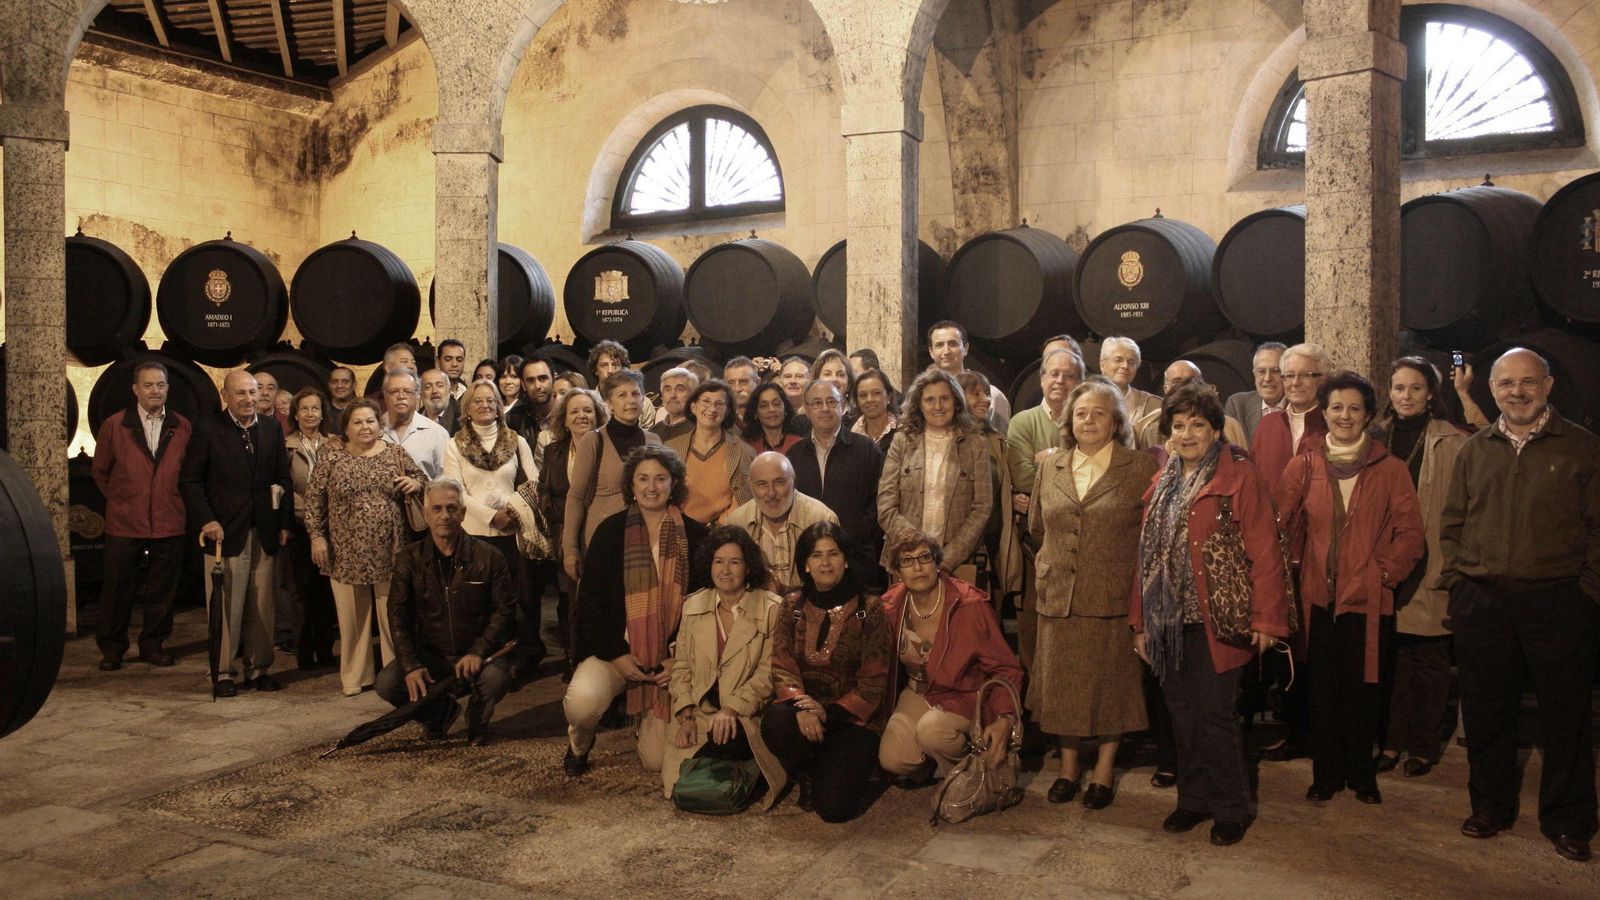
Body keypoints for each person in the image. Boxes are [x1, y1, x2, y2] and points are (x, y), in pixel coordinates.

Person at [1439, 347, 1600, 863]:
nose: (1517, 392)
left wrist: (1587, 593)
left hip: (1558, 600)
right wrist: (1459, 580)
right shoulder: (1476, 449)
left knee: (1566, 717)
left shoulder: (1581, 447)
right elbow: (1453, 522)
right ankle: (1490, 807)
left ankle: (1570, 820)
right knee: (1487, 712)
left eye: (1528, 382)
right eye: (1506, 384)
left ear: (1548, 385)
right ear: (1492, 390)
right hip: (1483, 601)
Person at [1131, 384, 1290, 846]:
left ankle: (1230, 807)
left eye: (1197, 425)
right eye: (1178, 426)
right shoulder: (1162, 481)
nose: (1186, 434)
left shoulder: (1239, 477)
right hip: (1168, 620)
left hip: (1219, 618)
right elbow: (1145, 557)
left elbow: (1265, 552)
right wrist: (1139, 622)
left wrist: (1266, 619)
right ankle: (1192, 800)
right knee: (1182, 713)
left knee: (1215, 715)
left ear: (1216, 428)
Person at [1278, 371, 1424, 806]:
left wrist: (1383, 574)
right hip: (1316, 600)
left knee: (1363, 691)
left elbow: (1411, 535)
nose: (1345, 416)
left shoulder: (1391, 469)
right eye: (1337, 407)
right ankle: (1326, 775)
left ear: (1368, 415)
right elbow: (1279, 527)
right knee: (1321, 691)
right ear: (1324, 412)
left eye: (1354, 408)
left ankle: (1362, 774)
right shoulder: (1303, 465)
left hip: (1368, 599)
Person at [1029, 380, 1158, 808]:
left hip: (1111, 595)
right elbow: (1037, 526)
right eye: (1081, 413)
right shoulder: (1051, 467)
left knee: (1110, 685)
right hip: (1058, 595)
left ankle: (1103, 767)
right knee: (1063, 684)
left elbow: (1149, 537)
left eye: (1099, 413)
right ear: (1069, 420)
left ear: (1116, 422)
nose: (1088, 420)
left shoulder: (1138, 468)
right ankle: (1068, 768)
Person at [562, 445, 710, 776]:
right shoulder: (610, 532)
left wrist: (678, 659)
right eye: (643, 479)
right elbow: (590, 606)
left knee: (657, 762)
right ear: (631, 485)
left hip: (672, 661)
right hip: (617, 653)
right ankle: (578, 745)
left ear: (675, 483)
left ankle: (648, 722)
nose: (651, 487)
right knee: (582, 705)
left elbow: (704, 609)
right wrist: (617, 655)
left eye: (660, 478)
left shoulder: (698, 536)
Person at [1373, 358, 1467, 779]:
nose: (1405, 396)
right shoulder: (1375, 437)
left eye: (1414, 388)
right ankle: (1391, 740)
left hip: (1430, 560)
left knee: (1427, 658)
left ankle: (1424, 744)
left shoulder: (1453, 441)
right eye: (1398, 388)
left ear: (1431, 393)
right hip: (1380, 559)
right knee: (1389, 658)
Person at [762, 522, 892, 822]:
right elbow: (782, 666)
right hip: (804, 714)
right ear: (805, 564)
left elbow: (874, 680)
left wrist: (828, 713)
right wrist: (801, 707)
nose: (825, 562)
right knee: (776, 721)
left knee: (834, 811)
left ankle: (838, 766)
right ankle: (805, 772)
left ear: (845, 560)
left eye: (833, 554)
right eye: (816, 555)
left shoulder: (869, 609)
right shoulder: (791, 606)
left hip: (853, 719)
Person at [180, 370, 294, 698]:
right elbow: (190, 481)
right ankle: (223, 672)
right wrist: (207, 521)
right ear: (225, 394)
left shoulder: (271, 428)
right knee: (227, 604)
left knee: (262, 605)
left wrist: (284, 524)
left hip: (265, 530)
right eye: (241, 393)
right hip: (224, 534)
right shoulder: (208, 429)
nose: (248, 399)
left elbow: (282, 479)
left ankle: (258, 669)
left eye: (253, 392)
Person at [379, 477, 517, 745]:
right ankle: (438, 715)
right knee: (387, 682)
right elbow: (398, 617)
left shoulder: (489, 557)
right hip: (431, 655)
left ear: (463, 514)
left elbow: (504, 610)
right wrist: (411, 665)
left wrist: (478, 651)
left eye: (452, 508)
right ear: (426, 514)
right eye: (437, 508)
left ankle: (478, 722)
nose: (445, 516)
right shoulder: (409, 559)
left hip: (478, 653)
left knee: (496, 678)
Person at [878, 531, 1023, 782]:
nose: (918, 567)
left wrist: (1004, 717)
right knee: (893, 759)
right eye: (907, 560)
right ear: (897, 571)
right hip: (918, 692)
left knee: (931, 732)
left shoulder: (969, 605)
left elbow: (1006, 668)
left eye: (925, 557)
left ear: (937, 562)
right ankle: (936, 760)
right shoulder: (890, 605)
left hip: (964, 693)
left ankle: (975, 769)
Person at [306, 399, 426, 696]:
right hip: (345, 550)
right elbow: (313, 500)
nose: (365, 427)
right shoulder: (331, 457)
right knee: (352, 620)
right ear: (345, 428)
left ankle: (395, 675)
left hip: (392, 549)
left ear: (380, 425)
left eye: (370, 421)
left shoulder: (395, 453)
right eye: (357, 422)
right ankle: (354, 678)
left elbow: (423, 479)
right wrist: (317, 536)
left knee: (392, 616)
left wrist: (415, 483)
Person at [1248, 341, 1331, 762]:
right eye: (1290, 375)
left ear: (1323, 380)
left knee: (1311, 645)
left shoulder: (1333, 423)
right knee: (1278, 639)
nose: (1296, 383)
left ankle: (1310, 733)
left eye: (1306, 375)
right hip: (1272, 550)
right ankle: (1284, 724)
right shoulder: (1267, 426)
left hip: (1318, 552)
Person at [661, 525, 786, 806]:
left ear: (748, 567)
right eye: (719, 561)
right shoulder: (693, 605)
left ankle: (746, 763)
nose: (725, 570)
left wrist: (731, 710)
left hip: (744, 713)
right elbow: (681, 667)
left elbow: (770, 674)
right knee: (670, 777)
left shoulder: (771, 609)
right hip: (701, 710)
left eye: (734, 562)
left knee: (727, 741)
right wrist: (686, 716)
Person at [91, 360, 192, 670]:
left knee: (162, 589)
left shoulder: (182, 426)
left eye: (160, 385)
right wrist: (123, 499)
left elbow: (189, 473)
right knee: (117, 588)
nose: (155, 391)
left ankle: (153, 644)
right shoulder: (115, 425)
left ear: (168, 389)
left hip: (168, 519)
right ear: (135, 389)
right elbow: (100, 470)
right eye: (148, 385)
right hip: (125, 521)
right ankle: (112, 648)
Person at [443, 381, 543, 671]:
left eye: (491, 400)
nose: (485, 405)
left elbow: (533, 481)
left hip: (511, 533)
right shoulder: (454, 445)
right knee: (482, 602)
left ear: (499, 406)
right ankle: (488, 659)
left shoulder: (517, 440)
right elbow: (456, 490)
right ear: (467, 409)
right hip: (475, 535)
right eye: (478, 401)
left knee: (515, 600)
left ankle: (519, 658)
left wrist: (511, 510)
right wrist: (490, 516)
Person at [877, 368, 993, 576]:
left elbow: (982, 507)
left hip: (958, 564)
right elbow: (886, 505)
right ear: (919, 405)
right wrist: (919, 552)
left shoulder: (976, 444)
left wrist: (945, 560)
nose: (938, 406)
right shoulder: (902, 441)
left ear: (956, 402)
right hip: (906, 560)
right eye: (930, 400)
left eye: (945, 399)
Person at [563, 370, 663, 583]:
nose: (630, 400)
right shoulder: (593, 440)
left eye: (636, 394)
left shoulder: (654, 441)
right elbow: (576, 497)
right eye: (622, 395)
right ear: (609, 403)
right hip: (601, 539)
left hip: (643, 539)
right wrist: (570, 549)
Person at [790, 379, 886, 589]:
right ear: (806, 409)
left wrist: (853, 536)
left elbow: (881, 502)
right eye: (816, 403)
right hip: (809, 564)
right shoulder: (794, 455)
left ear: (843, 406)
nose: (825, 409)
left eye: (831, 402)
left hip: (857, 559)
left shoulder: (866, 450)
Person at [538, 387, 607, 677]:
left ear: (598, 415)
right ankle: (574, 658)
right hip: (565, 536)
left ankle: (600, 662)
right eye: (574, 411)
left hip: (600, 536)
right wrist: (568, 515)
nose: (581, 416)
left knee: (600, 602)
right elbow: (543, 492)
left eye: (587, 410)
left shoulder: (607, 447)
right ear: (564, 419)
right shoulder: (554, 451)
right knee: (570, 603)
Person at [724, 452, 837, 593]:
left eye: (779, 482)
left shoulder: (822, 519)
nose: (771, 493)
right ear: (751, 487)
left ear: (793, 481)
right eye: (762, 484)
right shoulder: (736, 523)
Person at [283, 387, 338, 671]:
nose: (310, 413)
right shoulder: (286, 446)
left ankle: (325, 649)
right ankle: (303, 651)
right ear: (295, 413)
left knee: (326, 592)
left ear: (322, 412)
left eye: (315, 408)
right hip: (299, 526)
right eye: (304, 408)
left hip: (333, 529)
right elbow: (284, 486)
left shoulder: (335, 444)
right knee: (301, 592)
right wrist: (308, 509)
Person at [957, 371, 1022, 602]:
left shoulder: (997, 440)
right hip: (963, 542)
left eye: (986, 394)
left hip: (993, 537)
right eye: (975, 394)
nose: (985, 399)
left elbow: (1003, 482)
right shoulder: (952, 440)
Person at [1007, 347, 1084, 516]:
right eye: (1054, 373)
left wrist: (1055, 454)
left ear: (1079, 383)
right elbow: (1022, 479)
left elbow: (1093, 474)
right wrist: (1074, 470)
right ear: (1042, 379)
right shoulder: (1022, 422)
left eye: (1069, 375)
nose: (1060, 380)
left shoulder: (1088, 423)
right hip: (1034, 524)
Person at [664, 380, 752, 526]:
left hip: (723, 533)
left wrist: (718, 526)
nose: (712, 409)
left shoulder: (743, 451)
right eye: (706, 401)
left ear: (728, 410)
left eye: (719, 404)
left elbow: (745, 497)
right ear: (693, 406)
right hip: (679, 529)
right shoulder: (671, 448)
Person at [1134, 362, 1248, 451]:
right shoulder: (1147, 426)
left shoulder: (1229, 426)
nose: (1184, 387)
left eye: (1191, 380)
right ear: (1165, 389)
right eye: (1176, 382)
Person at [928, 320, 1011, 431]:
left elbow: (1000, 443)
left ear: (966, 348)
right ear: (931, 352)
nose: (946, 351)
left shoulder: (992, 396)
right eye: (939, 345)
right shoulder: (923, 396)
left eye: (953, 344)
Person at [381, 369, 448, 481]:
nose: (401, 396)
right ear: (385, 395)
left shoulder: (437, 434)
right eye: (394, 391)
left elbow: (445, 481)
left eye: (407, 391)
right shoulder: (373, 431)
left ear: (417, 396)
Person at [1224, 341, 1288, 444]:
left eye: (1276, 371)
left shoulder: (1298, 406)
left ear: (1288, 374)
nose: (1267, 378)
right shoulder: (1237, 405)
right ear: (1254, 374)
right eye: (1261, 371)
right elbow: (1230, 452)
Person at [590, 340, 656, 428]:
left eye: (615, 364)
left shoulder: (643, 403)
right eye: (604, 365)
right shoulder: (588, 402)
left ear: (623, 368)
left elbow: (648, 438)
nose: (610, 370)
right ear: (596, 370)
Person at [1099, 336, 1161, 425]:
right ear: (1103, 365)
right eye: (1118, 360)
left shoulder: (1153, 406)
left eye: (1131, 362)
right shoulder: (1083, 399)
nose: (1125, 366)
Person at [506, 356, 555, 449]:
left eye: (543, 378)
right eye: (530, 380)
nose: (537, 386)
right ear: (523, 385)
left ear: (554, 379)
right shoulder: (513, 419)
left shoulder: (567, 414)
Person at [742, 381, 803, 455]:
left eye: (776, 404)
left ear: (785, 408)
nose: (772, 409)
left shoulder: (801, 445)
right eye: (764, 406)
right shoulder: (747, 448)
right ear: (756, 412)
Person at [851, 367, 899, 450]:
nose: (869, 399)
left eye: (876, 393)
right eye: (863, 395)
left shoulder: (904, 431)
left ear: (889, 396)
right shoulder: (850, 436)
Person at [650, 366, 698, 443]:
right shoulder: (654, 432)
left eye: (680, 389)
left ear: (692, 395)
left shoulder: (700, 430)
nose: (672, 395)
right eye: (667, 389)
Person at [810, 349, 856, 425]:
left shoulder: (860, 418)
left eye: (840, 374)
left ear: (849, 384)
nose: (834, 379)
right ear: (816, 381)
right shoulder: (804, 420)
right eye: (827, 374)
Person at [722, 355, 761, 426]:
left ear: (757, 383)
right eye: (731, 382)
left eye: (743, 382)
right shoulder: (719, 420)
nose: (737, 389)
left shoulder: (771, 416)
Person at [419, 367, 459, 434]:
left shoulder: (461, 420)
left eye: (439, 385)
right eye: (428, 387)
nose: (434, 391)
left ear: (449, 391)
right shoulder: (413, 420)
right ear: (420, 393)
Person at [252, 370, 291, 437]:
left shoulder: (290, 424)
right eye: (259, 388)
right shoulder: (238, 422)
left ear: (277, 393)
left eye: (270, 388)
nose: (265, 393)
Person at [436, 338, 469, 404]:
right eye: (448, 359)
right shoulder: (428, 393)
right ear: (438, 362)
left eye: (459, 360)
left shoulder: (469, 394)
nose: (454, 364)